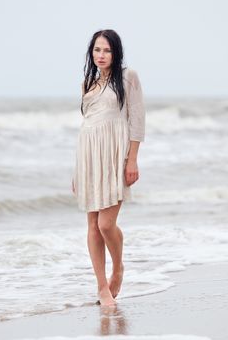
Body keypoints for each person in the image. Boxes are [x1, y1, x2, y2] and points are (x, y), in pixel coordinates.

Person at [72, 29, 145, 307]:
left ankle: (118, 268)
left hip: (115, 154)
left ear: (116, 53)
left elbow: (137, 120)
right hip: (88, 155)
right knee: (92, 224)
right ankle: (102, 287)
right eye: (96, 50)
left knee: (106, 224)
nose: (101, 56)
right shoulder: (87, 83)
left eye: (107, 50)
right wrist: (77, 170)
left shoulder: (128, 78)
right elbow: (87, 125)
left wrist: (132, 158)